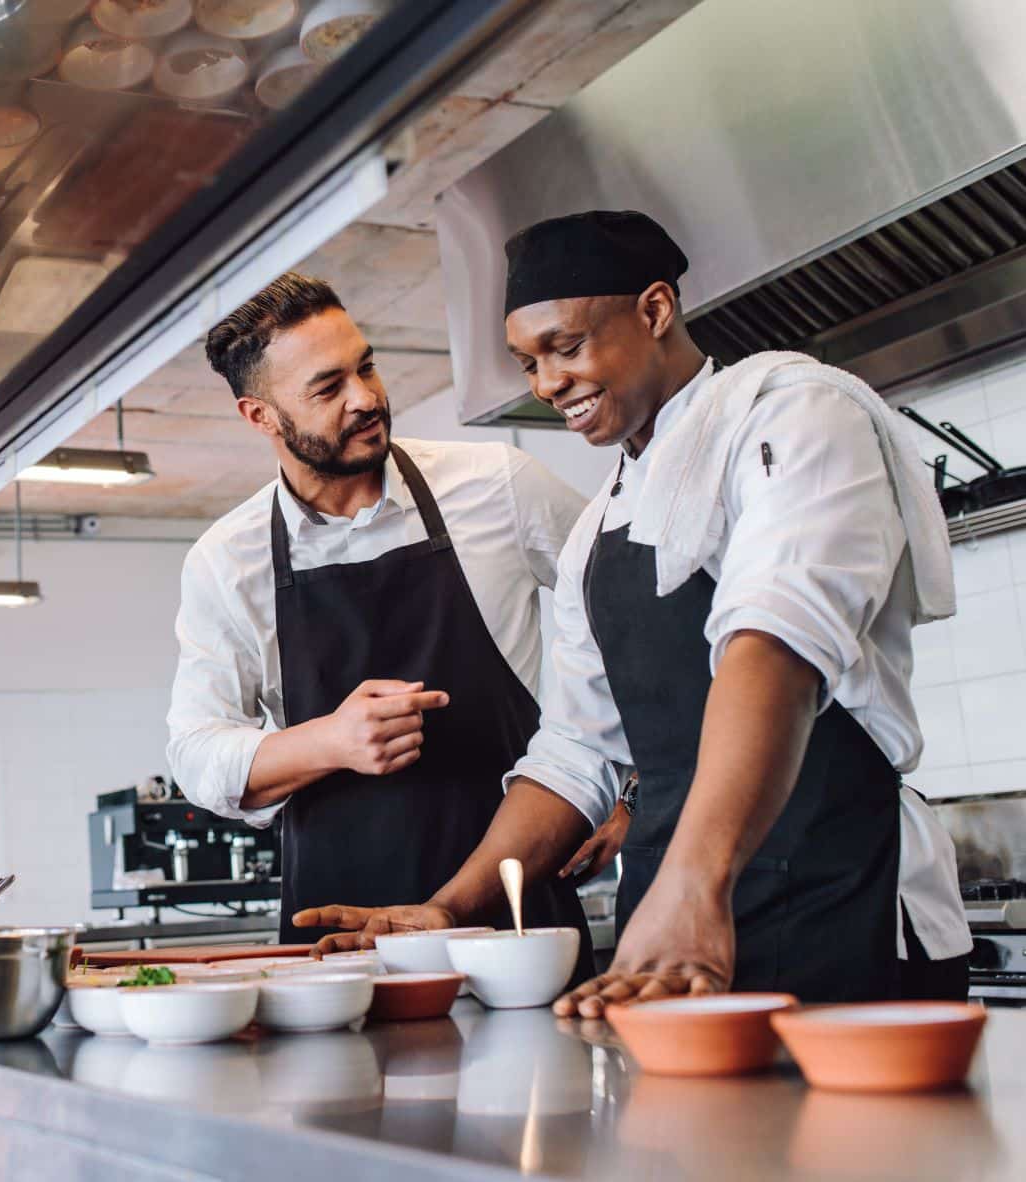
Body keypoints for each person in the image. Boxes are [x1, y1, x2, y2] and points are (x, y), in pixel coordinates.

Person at [295, 211, 971, 1011]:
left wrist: (695, 882)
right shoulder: (594, 531)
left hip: (837, 890)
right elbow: (575, 753)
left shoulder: (793, 415)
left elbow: (777, 645)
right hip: (670, 928)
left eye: (566, 347)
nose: (545, 385)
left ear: (653, 310)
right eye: (526, 363)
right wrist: (449, 906)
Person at [166, 271, 595, 957]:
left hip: (513, 913)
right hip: (339, 936)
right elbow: (195, 755)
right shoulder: (227, 559)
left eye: (364, 366)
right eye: (327, 387)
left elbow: (633, 626)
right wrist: (330, 742)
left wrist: (629, 792)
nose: (365, 398)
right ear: (260, 416)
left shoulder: (498, 486)